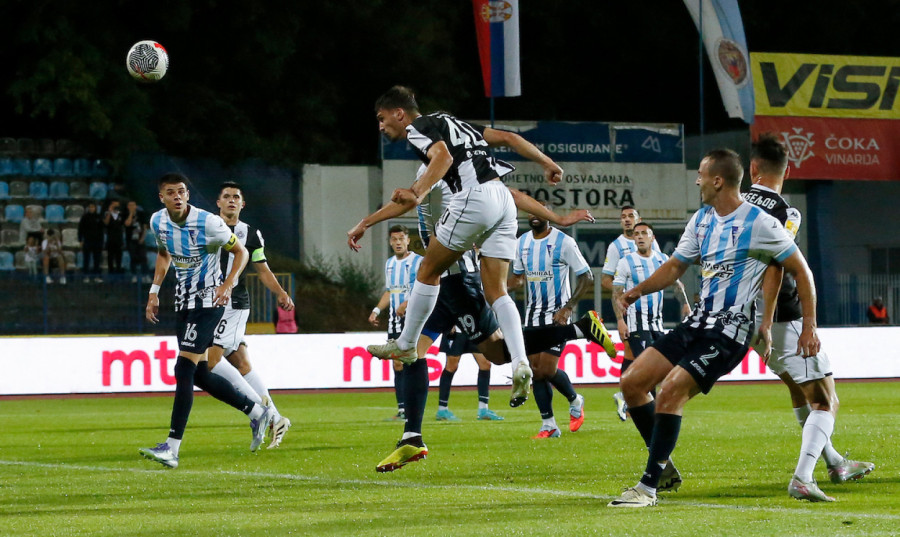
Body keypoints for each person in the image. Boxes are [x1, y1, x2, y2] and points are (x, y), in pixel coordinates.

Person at [349, 151, 611, 473]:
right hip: (439, 281)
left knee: (498, 353)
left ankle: (581, 330)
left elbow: (415, 201)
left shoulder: (445, 169)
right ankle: (412, 438)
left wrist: (364, 222)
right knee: (412, 353)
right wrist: (556, 217)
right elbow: (508, 194)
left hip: (458, 283)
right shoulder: (449, 170)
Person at [607, 148, 822, 508]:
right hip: (696, 323)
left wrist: (808, 326)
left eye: (702, 175)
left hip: (729, 332)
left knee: (671, 390)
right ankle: (664, 467)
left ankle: (647, 488)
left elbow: (801, 271)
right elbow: (675, 266)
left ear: (718, 180)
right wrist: (636, 291)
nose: (697, 181)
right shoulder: (702, 220)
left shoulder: (760, 222)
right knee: (631, 384)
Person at [357, 85, 569, 410]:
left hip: (474, 198)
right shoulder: (455, 122)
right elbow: (510, 139)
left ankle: (405, 343)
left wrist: (417, 190)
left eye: (383, 119)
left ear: (400, 113)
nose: (382, 126)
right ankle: (520, 365)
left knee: (428, 270)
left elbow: (441, 156)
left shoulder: (419, 128)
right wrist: (547, 162)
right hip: (501, 200)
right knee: (497, 291)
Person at [746, 133, 874, 501]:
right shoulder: (786, 212)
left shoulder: (732, 205)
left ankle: (835, 463)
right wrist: (773, 322)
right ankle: (803, 478)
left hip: (740, 317)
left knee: (797, 389)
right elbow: (778, 265)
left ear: (752, 169)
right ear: (787, 170)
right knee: (825, 400)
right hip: (781, 318)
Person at [139, 173, 274, 469]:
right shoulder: (157, 221)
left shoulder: (208, 223)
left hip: (209, 302)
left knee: (183, 367)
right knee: (200, 373)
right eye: (171, 192)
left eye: (182, 191)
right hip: (183, 302)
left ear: (188, 194)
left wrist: (226, 285)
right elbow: (164, 254)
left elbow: (241, 252)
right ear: (161, 197)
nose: (177, 196)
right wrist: (154, 290)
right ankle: (256, 412)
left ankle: (171, 448)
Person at [206, 182, 296, 449]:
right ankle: (277, 419)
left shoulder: (250, 234)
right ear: (218, 202)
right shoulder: (208, 228)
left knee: (211, 360)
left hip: (234, 303)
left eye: (236, 197)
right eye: (227, 197)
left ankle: (263, 414)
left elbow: (263, 269)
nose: (231, 201)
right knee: (241, 362)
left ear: (242, 205)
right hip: (209, 303)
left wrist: (280, 292)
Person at [508, 207, 592, 438]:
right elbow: (517, 279)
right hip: (532, 317)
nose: (534, 215)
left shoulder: (563, 242)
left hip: (558, 316)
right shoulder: (521, 242)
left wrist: (568, 308)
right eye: (531, 212)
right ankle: (549, 425)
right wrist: (494, 290)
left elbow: (587, 276)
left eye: (540, 211)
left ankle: (575, 400)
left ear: (549, 216)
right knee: (536, 372)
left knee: (546, 368)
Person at [611, 222, 691, 428]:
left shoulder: (662, 260)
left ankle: (624, 396)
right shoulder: (626, 262)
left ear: (652, 238)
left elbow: (676, 284)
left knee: (662, 370)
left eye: (644, 233)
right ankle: (654, 420)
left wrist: (685, 305)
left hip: (657, 324)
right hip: (637, 325)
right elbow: (616, 294)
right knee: (649, 372)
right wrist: (620, 320)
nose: (639, 237)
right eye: (636, 234)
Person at [601, 206, 660, 421]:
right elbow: (606, 280)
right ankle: (639, 402)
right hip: (630, 309)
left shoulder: (650, 242)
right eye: (623, 217)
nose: (627, 220)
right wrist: (626, 293)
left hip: (654, 313)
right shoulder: (616, 247)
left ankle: (625, 396)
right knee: (642, 358)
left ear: (639, 219)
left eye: (630, 217)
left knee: (633, 356)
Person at [369, 224, 423, 421]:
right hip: (394, 322)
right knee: (397, 365)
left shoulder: (419, 261)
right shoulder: (390, 263)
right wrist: (377, 310)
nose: (398, 242)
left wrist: (407, 303)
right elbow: (390, 291)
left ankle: (414, 408)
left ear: (408, 240)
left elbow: (424, 289)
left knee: (412, 362)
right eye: (394, 239)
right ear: (390, 242)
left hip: (412, 320)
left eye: (401, 238)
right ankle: (402, 410)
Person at [435, 324, 504, 422]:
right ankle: (442, 410)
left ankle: (483, 409)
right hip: (456, 331)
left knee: (485, 364)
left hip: (474, 329)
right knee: (452, 366)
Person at [78, 202, 104, 283]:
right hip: (87, 241)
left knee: (97, 259)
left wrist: (102, 241)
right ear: (88, 208)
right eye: (90, 207)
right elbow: (80, 229)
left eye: (93, 207)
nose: (92, 208)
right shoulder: (84, 217)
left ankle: (97, 276)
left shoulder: (99, 217)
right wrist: (80, 240)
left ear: (95, 208)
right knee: (86, 259)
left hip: (97, 241)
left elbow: (101, 230)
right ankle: (86, 276)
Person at [124, 200, 150, 283]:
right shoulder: (125, 214)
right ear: (128, 207)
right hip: (131, 240)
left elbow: (145, 227)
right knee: (133, 257)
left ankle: (145, 275)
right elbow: (127, 224)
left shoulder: (141, 214)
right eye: (130, 205)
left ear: (136, 206)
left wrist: (142, 238)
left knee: (143, 257)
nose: (131, 207)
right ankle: (134, 275)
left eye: (133, 205)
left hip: (140, 239)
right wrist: (131, 214)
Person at [104, 199, 125, 274]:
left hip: (119, 239)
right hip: (110, 239)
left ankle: (118, 273)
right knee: (110, 258)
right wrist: (110, 211)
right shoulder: (107, 214)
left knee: (119, 258)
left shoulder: (121, 214)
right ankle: (111, 274)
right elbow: (106, 223)